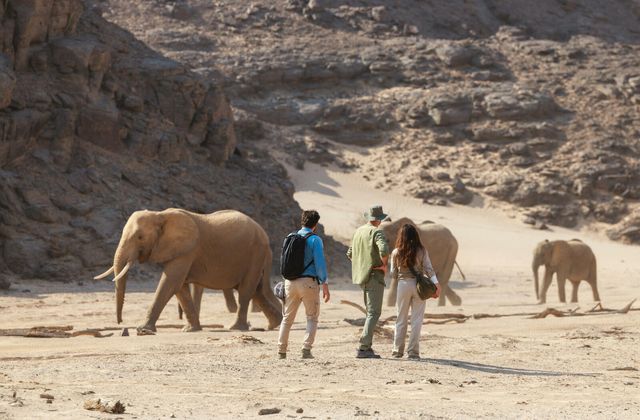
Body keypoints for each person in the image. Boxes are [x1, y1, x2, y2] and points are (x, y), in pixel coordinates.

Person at [278, 210, 330, 359]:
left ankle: (281, 351)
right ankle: (306, 350)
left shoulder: (289, 237)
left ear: (302, 221)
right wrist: (324, 283)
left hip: (290, 282)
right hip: (308, 282)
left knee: (287, 318)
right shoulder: (315, 240)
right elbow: (320, 264)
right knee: (312, 317)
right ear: (315, 224)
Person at [390, 224, 441, 360]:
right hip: (419, 286)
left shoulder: (396, 252)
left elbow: (393, 274)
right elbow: (429, 269)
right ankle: (413, 352)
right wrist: (436, 284)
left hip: (402, 286)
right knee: (416, 320)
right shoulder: (422, 250)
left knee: (400, 318)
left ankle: (397, 351)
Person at [347, 205, 390, 359]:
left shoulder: (359, 231)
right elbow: (384, 250)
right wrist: (384, 265)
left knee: (370, 311)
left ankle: (366, 347)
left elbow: (350, 253)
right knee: (374, 313)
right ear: (378, 220)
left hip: (361, 277)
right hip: (374, 276)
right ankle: (363, 348)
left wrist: (362, 265)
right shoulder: (377, 232)